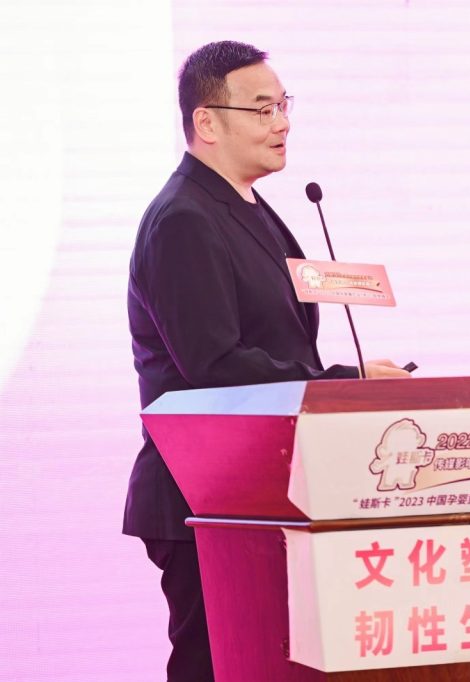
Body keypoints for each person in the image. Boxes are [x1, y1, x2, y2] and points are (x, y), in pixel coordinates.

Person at [122, 40, 409, 682]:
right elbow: (215, 364)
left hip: (262, 490)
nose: (281, 123)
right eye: (261, 109)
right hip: (206, 496)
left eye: (283, 106)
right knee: (215, 667)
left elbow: (276, 346)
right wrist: (343, 383)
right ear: (206, 121)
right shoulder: (184, 218)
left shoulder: (246, 205)